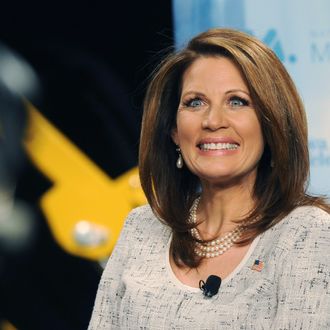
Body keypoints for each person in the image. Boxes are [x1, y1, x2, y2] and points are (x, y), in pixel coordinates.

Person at [88, 28, 330, 329]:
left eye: (238, 101)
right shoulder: (141, 228)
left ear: (271, 124)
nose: (213, 121)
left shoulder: (306, 234)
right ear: (174, 131)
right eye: (195, 102)